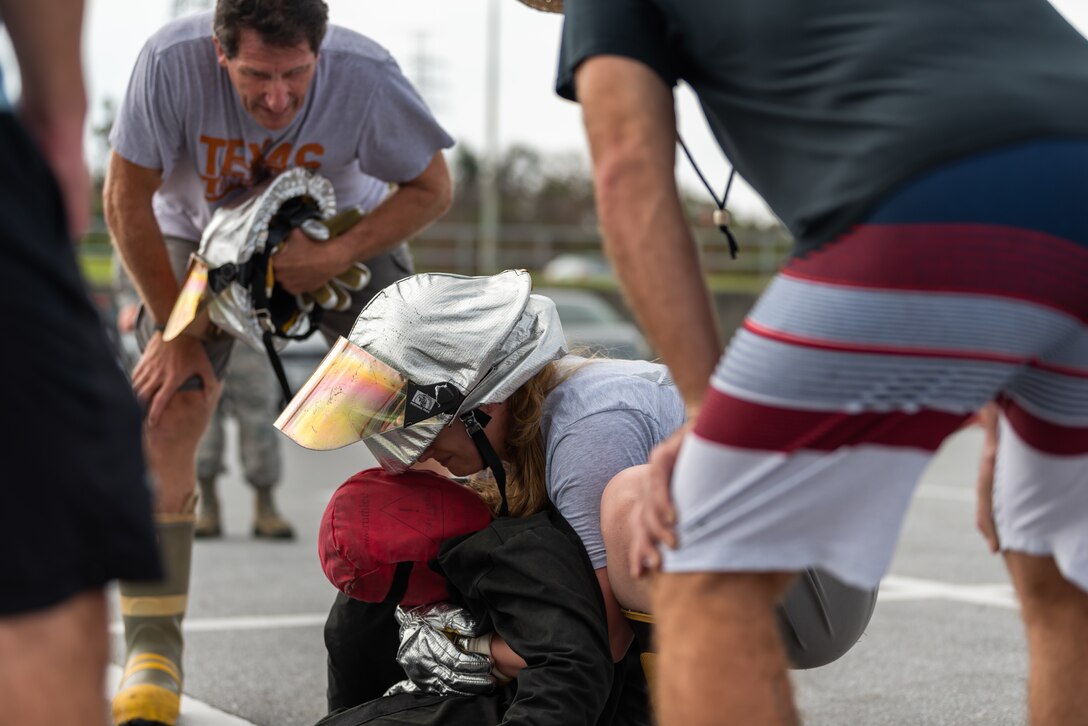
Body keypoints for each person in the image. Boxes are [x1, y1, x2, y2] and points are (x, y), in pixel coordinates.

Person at [515, 0, 1088, 723]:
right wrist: (1014, 396)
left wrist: (700, 406)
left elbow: (629, 169)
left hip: (929, 199)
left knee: (696, 565)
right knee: (1062, 580)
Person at [275, 270, 875, 721]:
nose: (416, 450)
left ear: (482, 400)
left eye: (416, 424)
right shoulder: (534, 430)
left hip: (815, 582)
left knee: (628, 503)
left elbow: (596, 641)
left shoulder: (590, 426)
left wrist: (464, 646)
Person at [103, 1, 454, 723]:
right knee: (172, 403)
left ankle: (457, 621)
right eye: (257, 75)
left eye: (296, 75)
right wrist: (174, 330)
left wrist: (332, 254)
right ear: (219, 50)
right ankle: (153, 651)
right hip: (195, 243)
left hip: (326, 238)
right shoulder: (168, 64)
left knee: (422, 408)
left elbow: (433, 187)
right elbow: (124, 196)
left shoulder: (366, 75)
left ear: (321, 53)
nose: (277, 97)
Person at [0, 1, 161, 724]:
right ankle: (155, 645)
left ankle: (157, 647)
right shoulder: (174, 64)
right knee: (43, 507)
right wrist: (57, 130)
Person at [195, 341, 294, 539]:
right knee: (201, 416)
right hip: (199, 334)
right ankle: (207, 505)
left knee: (259, 417)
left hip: (246, 331)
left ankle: (265, 507)